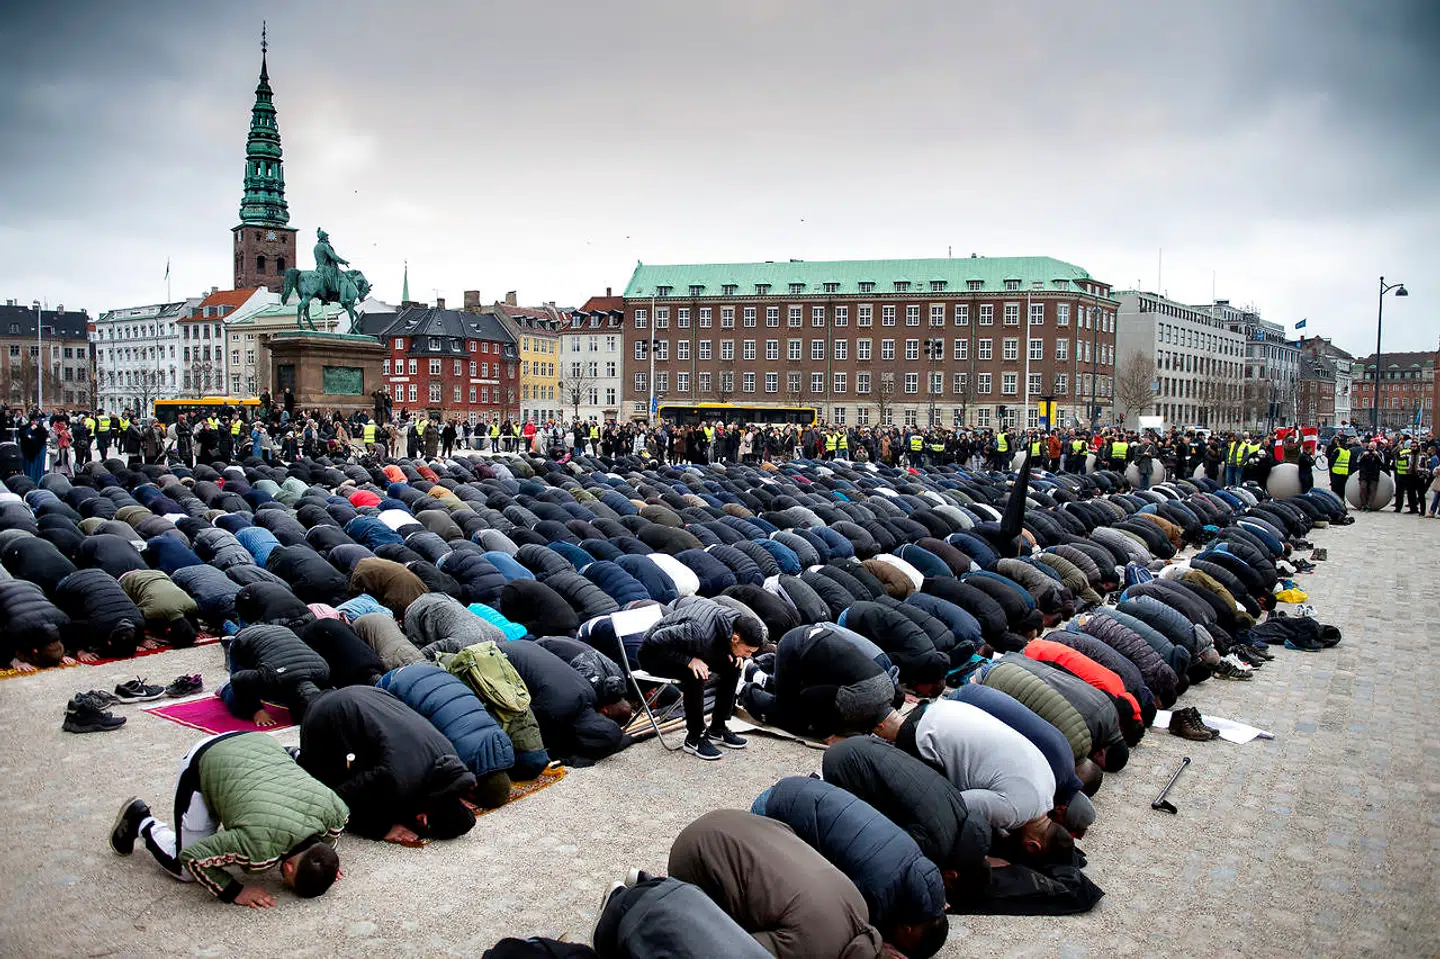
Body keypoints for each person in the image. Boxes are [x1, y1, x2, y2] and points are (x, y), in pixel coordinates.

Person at [109, 731, 347, 907]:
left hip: (258, 740)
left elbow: (329, 838)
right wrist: (234, 891)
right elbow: (193, 857)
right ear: (288, 866)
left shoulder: (336, 811)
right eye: (288, 880)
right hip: (204, 759)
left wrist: (324, 863)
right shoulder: (257, 846)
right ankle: (140, 820)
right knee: (184, 870)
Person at [751, 777, 949, 958]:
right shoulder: (879, 888)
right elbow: (839, 927)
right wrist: (878, 948)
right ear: (907, 930)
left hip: (798, 788)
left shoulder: (915, 860)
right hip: (772, 812)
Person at [874, 698, 1073, 867]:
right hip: (926, 733)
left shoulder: (1048, 787)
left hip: (946, 708)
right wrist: (981, 857)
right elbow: (952, 804)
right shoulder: (1013, 811)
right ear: (1032, 845)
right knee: (928, 808)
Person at [666, 809, 885, 959]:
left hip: (739, 822)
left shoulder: (861, 909)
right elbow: (734, 950)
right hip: (695, 854)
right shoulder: (813, 950)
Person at [821, 735, 994, 905]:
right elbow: (886, 850)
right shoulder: (937, 846)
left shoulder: (959, 808)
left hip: (863, 745)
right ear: (952, 875)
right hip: (845, 766)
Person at [297, 686, 477, 844]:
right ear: (422, 819)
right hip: (324, 716)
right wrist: (381, 829)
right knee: (317, 785)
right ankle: (292, 755)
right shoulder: (397, 779)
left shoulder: (450, 759)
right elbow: (338, 800)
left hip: (367, 694)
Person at [637, 598, 763, 760]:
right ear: (735, 639)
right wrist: (688, 661)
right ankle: (694, 737)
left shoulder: (734, 621)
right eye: (747, 651)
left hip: (689, 648)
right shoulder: (698, 632)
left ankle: (718, 728)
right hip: (654, 655)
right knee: (696, 673)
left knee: (733, 666)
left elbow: (719, 642)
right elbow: (654, 638)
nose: (749, 656)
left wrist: (733, 654)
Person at [738, 623, 901, 741]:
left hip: (817, 643)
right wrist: (828, 735)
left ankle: (758, 675)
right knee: (790, 713)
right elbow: (811, 697)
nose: (886, 741)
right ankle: (743, 690)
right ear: (880, 727)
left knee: (806, 702)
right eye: (886, 738)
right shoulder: (860, 704)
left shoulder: (889, 690)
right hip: (796, 648)